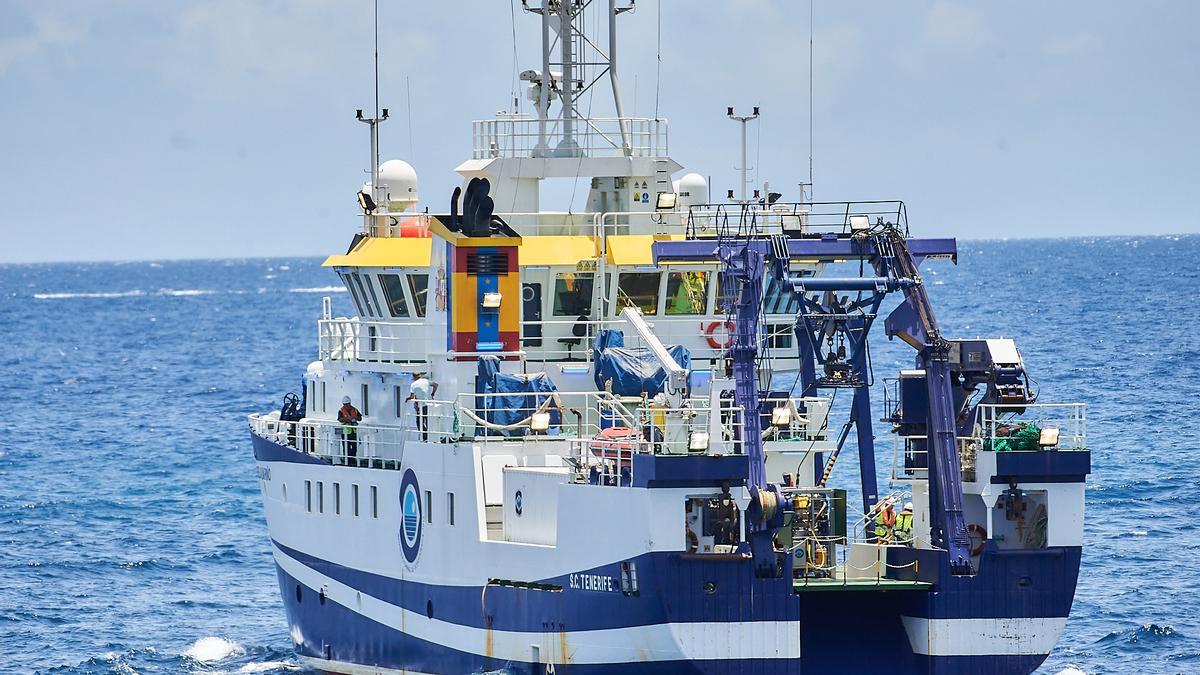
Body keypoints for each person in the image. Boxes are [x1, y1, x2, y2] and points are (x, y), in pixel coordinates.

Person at [406, 372, 438, 440]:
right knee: (428, 420)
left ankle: (425, 436)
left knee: (419, 421)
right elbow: (436, 385)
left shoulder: (413, 384)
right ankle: (430, 436)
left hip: (421, 405)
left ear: (414, 377)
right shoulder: (426, 381)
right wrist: (433, 393)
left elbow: (411, 397)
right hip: (429, 404)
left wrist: (407, 399)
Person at [337, 395, 363, 460]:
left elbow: (360, 418)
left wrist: (355, 418)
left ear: (350, 403)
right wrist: (347, 419)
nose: (346, 406)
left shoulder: (355, 410)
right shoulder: (341, 410)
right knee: (346, 448)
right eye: (345, 404)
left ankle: (352, 458)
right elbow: (340, 419)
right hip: (345, 432)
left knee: (355, 446)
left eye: (347, 404)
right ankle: (347, 460)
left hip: (354, 432)